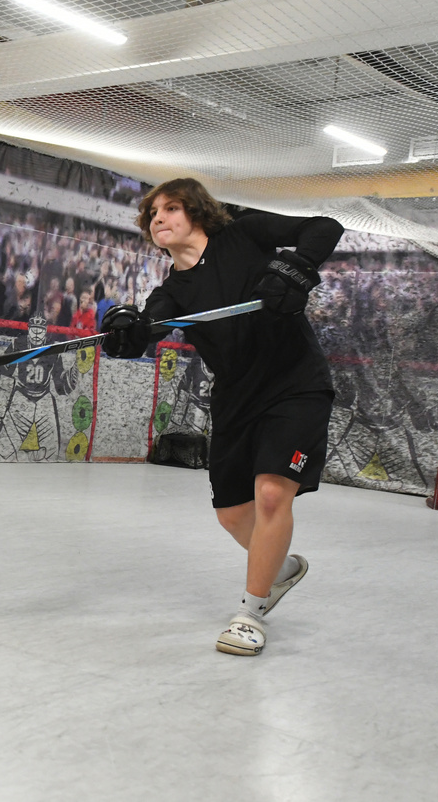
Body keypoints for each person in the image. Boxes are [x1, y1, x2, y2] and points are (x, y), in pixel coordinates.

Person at [101, 178, 342, 656]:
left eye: (171, 208)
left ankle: (250, 615)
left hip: (295, 384)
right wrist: (128, 333)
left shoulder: (243, 234)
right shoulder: (173, 292)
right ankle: (280, 568)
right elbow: (149, 327)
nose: (159, 218)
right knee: (233, 515)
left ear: (196, 212)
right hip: (236, 398)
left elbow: (324, 227)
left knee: (271, 493)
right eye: (153, 214)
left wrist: (294, 268)